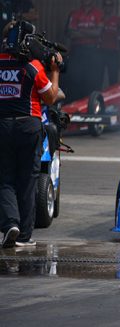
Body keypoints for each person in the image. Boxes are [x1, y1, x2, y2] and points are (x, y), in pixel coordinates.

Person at [0, 21, 63, 248]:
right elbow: (51, 97)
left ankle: (10, 225)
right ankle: (25, 235)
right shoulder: (33, 66)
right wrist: (55, 72)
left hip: (3, 126)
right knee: (28, 180)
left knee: (5, 179)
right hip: (29, 126)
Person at [65, 0, 103, 102]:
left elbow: (98, 33)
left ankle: (90, 107)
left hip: (93, 51)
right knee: (75, 79)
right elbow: (71, 33)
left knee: (92, 81)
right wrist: (90, 32)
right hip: (77, 51)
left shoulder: (98, 13)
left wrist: (80, 31)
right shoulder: (75, 13)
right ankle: (74, 106)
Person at [100, 0, 120, 86]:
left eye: (110, 5)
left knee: (113, 77)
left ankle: (113, 96)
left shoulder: (117, 20)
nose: (108, 7)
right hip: (100, 51)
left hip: (113, 52)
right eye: (106, 5)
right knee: (98, 77)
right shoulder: (100, 18)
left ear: (112, 7)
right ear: (103, 6)